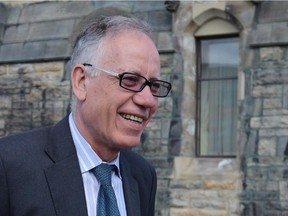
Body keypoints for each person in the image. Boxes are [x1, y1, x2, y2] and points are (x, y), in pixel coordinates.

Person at [0, 15, 172, 216]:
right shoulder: (9, 166)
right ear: (81, 82)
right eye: (130, 79)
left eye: (154, 86)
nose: (148, 100)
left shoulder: (143, 175)